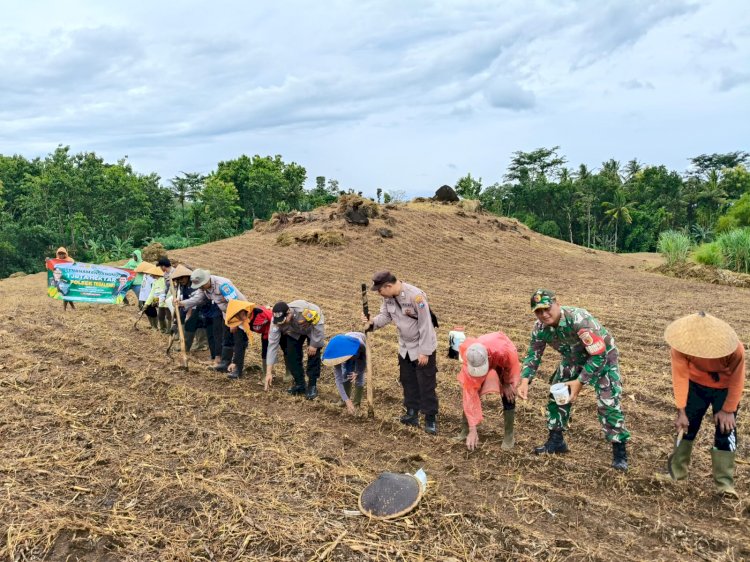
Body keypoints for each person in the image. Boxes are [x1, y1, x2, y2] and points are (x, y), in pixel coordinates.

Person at [517, 289, 630, 471]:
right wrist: (524, 380)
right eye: (538, 311)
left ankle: (619, 452)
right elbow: (534, 353)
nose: (544, 314)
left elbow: (598, 356)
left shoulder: (579, 320)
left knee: (608, 403)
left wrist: (579, 382)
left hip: (603, 357)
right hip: (573, 358)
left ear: (557, 303)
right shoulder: (540, 328)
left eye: (547, 308)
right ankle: (556, 441)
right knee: (558, 394)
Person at [662, 311, 745, 498]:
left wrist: (728, 410)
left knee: (725, 431)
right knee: (686, 426)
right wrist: (681, 410)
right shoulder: (681, 346)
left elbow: (738, 379)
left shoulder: (734, 348)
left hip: (724, 389)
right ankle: (677, 475)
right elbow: (680, 376)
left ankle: (725, 484)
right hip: (696, 386)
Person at [362, 271, 439, 435]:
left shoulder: (416, 297)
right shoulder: (388, 298)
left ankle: (430, 419)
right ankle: (412, 413)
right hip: (405, 346)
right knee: (408, 380)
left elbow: (426, 325)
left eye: (380, 290)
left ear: (388, 286)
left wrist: (425, 352)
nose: (379, 294)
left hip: (421, 346)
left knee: (426, 384)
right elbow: (385, 316)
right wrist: (372, 323)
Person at [456, 332, 520, 451]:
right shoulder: (469, 358)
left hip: (502, 358)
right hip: (486, 354)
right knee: (470, 391)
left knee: (509, 394)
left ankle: (509, 436)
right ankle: (466, 430)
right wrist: (472, 429)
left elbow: (510, 366)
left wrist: (506, 383)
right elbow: (469, 395)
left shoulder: (504, 351)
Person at [177, 269, 246, 370]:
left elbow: (234, 302)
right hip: (226, 314)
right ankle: (224, 364)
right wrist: (182, 303)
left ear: (206, 280)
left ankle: (237, 368)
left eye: (201, 285)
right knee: (226, 339)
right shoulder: (203, 288)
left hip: (240, 313)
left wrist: (234, 322)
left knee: (238, 340)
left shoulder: (223, 285)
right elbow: (197, 299)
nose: (200, 288)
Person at [264, 300, 325, 399]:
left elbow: (318, 324)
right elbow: (272, 346)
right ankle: (300, 384)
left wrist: (314, 344)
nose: (280, 325)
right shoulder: (275, 321)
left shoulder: (305, 311)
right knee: (291, 355)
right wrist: (268, 373)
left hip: (312, 329)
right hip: (294, 331)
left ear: (289, 313)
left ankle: (312, 386)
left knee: (313, 354)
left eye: (283, 321)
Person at [225, 300, 274, 380]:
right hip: (265, 334)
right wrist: (235, 362)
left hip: (275, 331)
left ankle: (287, 372)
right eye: (236, 315)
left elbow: (274, 319)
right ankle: (266, 374)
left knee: (282, 349)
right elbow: (239, 344)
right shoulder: (243, 323)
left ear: (245, 309)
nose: (239, 316)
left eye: (240, 312)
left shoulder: (260, 312)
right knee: (265, 353)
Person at [322, 333, 367, 415]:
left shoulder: (360, 345)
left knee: (360, 377)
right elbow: (338, 380)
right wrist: (347, 400)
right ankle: (344, 400)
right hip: (347, 349)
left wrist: (357, 373)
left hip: (358, 349)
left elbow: (364, 361)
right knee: (346, 374)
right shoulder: (336, 353)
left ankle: (356, 404)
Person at [143, 264, 170, 332]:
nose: (151, 275)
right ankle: (163, 329)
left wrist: (161, 300)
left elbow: (164, 292)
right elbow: (153, 293)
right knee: (161, 316)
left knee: (167, 316)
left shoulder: (163, 280)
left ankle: (167, 329)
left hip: (165, 301)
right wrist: (147, 304)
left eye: (152, 274)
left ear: (156, 274)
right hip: (159, 301)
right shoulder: (155, 282)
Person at [55, 247, 76, 311]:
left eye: (62, 254)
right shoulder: (55, 260)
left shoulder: (70, 260)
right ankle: (71, 308)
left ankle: (67, 308)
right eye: (60, 254)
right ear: (57, 254)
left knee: (67, 293)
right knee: (66, 293)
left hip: (68, 279)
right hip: (61, 280)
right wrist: (47, 261)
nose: (61, 255)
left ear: (65, 254)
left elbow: (75, 267)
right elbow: (49, 266)